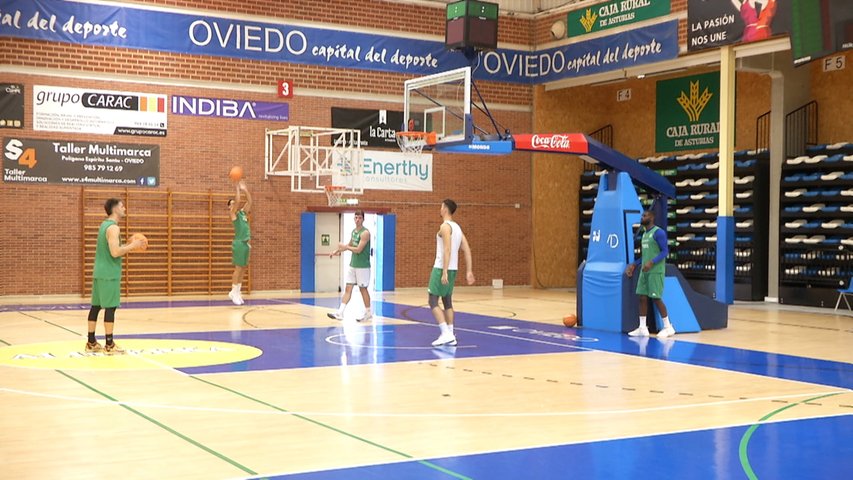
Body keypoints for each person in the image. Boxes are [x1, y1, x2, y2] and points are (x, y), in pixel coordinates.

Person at [85, 198, 145, 354]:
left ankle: (91, 342)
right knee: (110, 308)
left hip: (100, 272)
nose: (124, 208)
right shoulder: (113, 228)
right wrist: (133, 246)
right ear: (114, 209)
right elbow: (115, 252)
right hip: (109, 274)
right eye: (121, 206)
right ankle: (109, 345)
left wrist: (126, 246)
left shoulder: (104, 225)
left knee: (96, 307)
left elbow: (113, 249)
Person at [429, 199, 475, 347]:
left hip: (442, 268)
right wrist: (468, 270)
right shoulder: (458, 228)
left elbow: (447, 249)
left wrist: (443, 272)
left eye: (441, 206)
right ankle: (451, 334)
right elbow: (467, 250)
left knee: (432, 301)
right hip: (453, 269)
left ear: (445, 209)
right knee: (447, 302)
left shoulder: (445, 226)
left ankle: (445, 333)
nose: (440, 208)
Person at [625, 210, 675, 338]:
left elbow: (665, 252)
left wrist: (652, 262)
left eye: (645, 215)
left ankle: (668, 327)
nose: (642, 217)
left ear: (652, 218)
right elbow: (645, 255)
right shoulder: (644, 234)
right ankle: (642, 328)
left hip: (655, 271)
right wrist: (634, 265)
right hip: (644, 271)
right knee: (642, 297)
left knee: (656, 298)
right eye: (642, 215)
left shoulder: (658, 232)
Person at [328, 210, 373, 321]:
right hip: (353, 265)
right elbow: (349, 245)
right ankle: (340, 313)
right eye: (356, 217)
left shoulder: (365, 233)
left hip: (363, 266)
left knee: (363, 289)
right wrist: (336, 251)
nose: (357, 220)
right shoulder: (354, 232)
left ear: (363, 219)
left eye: (359, 218)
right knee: (348, 288)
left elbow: (358, 250)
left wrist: (346, 247)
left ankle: (368, 313)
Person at [228, 179, 252, 305]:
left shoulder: (243, 213)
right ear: (230, 207)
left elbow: (250, 201)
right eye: (231, 204)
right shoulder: (233, 214)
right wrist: (237, 188)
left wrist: (245, 189)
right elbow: (237, 201)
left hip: (246, 243)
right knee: (238, 269)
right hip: (238, 243)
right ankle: (233, 291)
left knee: (243, 268)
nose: (234, 204)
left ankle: (237, 291)